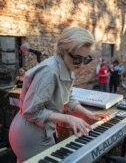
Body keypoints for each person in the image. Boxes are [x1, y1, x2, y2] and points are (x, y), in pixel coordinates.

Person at [9, 27, 109, 162]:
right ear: (63, 50)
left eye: (85, 59)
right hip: (30, 134)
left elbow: (68, 98)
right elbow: (30, 111)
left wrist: (88, 113)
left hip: (40, 130)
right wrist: (68, 118)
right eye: (77, 58)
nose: (80, 64)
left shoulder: (68, 67)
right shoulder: (49, 71)